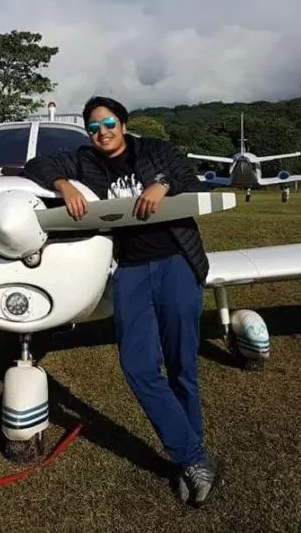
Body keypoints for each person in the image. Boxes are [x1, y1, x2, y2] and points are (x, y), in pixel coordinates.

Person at [21, 96, 223, 508]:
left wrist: (161, 183)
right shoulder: (84, 160)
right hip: (130, 270)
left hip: (176, 262)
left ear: (124, 124)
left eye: (109, 123)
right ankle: (194, 458)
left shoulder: (155, 151)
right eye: (94, 127)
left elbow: (187, 173)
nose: (102, 132)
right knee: (138, 366)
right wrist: (62, 185)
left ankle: (190, 455)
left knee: (182, 362)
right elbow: (35, 166)